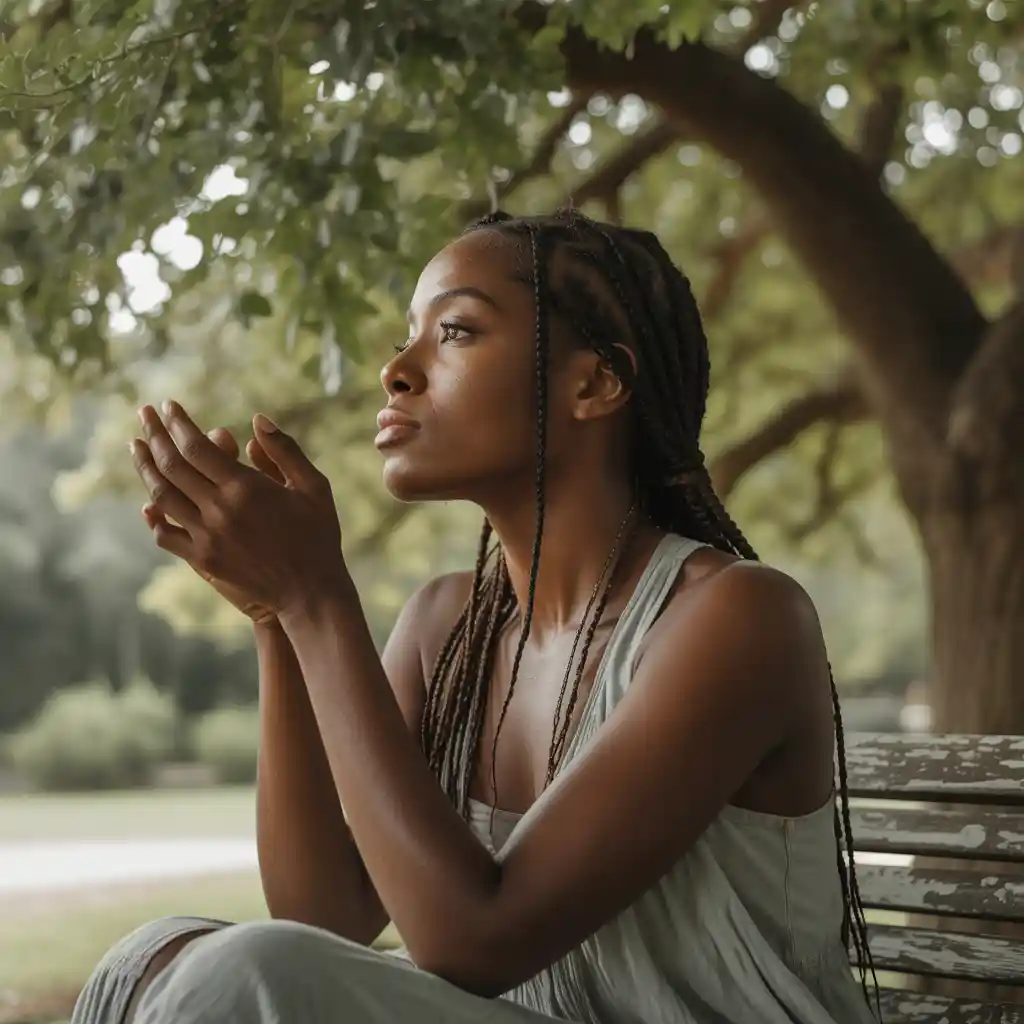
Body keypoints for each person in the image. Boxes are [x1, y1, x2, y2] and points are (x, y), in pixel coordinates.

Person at [72, 209, 879, 1024]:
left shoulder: (738, 617)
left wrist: (316, 599)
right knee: (156, 953)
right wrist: (276, 617)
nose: (398, 369)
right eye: (406, 335)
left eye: (455, 331)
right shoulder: (445, 626)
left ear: (595, 383)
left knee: (241, 971)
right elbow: (326, 917)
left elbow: (476, 941)